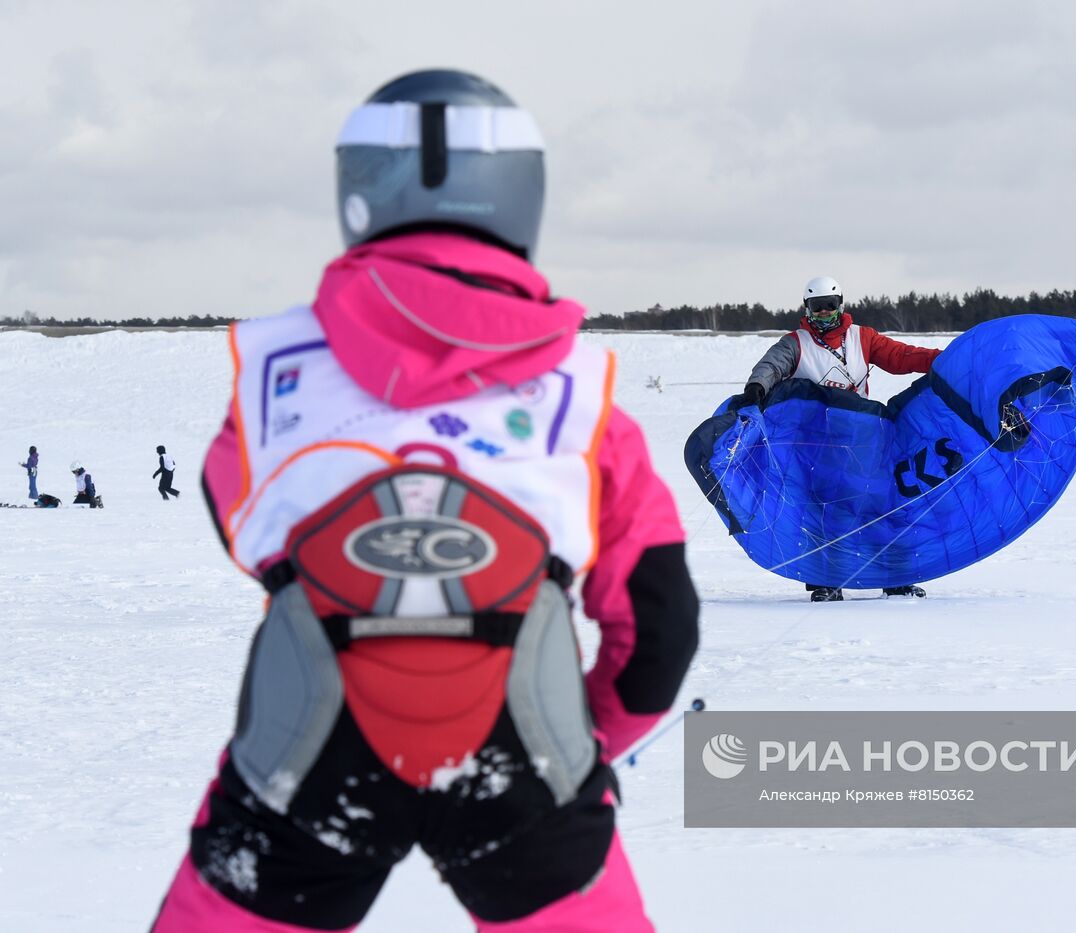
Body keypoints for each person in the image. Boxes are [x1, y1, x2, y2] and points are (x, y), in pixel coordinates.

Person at [151, 69, 699, 933]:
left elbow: (237, 521)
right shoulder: (582, 397)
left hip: (311, 747)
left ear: (359, 191)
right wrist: (578, 743)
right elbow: (660, 628)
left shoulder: (276, 375)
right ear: (524, 198)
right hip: (525, 755)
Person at [741, 275, 941, 602]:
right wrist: (757, 388)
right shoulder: (796, 343)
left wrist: (939, 359)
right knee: (827, 514)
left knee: (883, 504)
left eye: (828, 306)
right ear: (807, 309)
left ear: (840, 304)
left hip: (864, 442)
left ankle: (896, 577)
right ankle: (826, 582)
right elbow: (771, 366)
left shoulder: (863, 338)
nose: (823, 314)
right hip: (818, 448)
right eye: (816, 308)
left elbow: (902, 357)